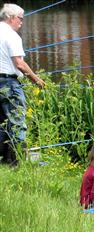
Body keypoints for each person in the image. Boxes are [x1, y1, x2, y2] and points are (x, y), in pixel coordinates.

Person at [0, 3, 44, 166]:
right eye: (20, 18)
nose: (21, 22)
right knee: (17, 122)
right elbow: (19, 63)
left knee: (2, 123)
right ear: (11, 17)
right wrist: (36, 79)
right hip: (9, 83)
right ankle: (16, 162)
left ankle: (4, 160)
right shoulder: (12, 36)